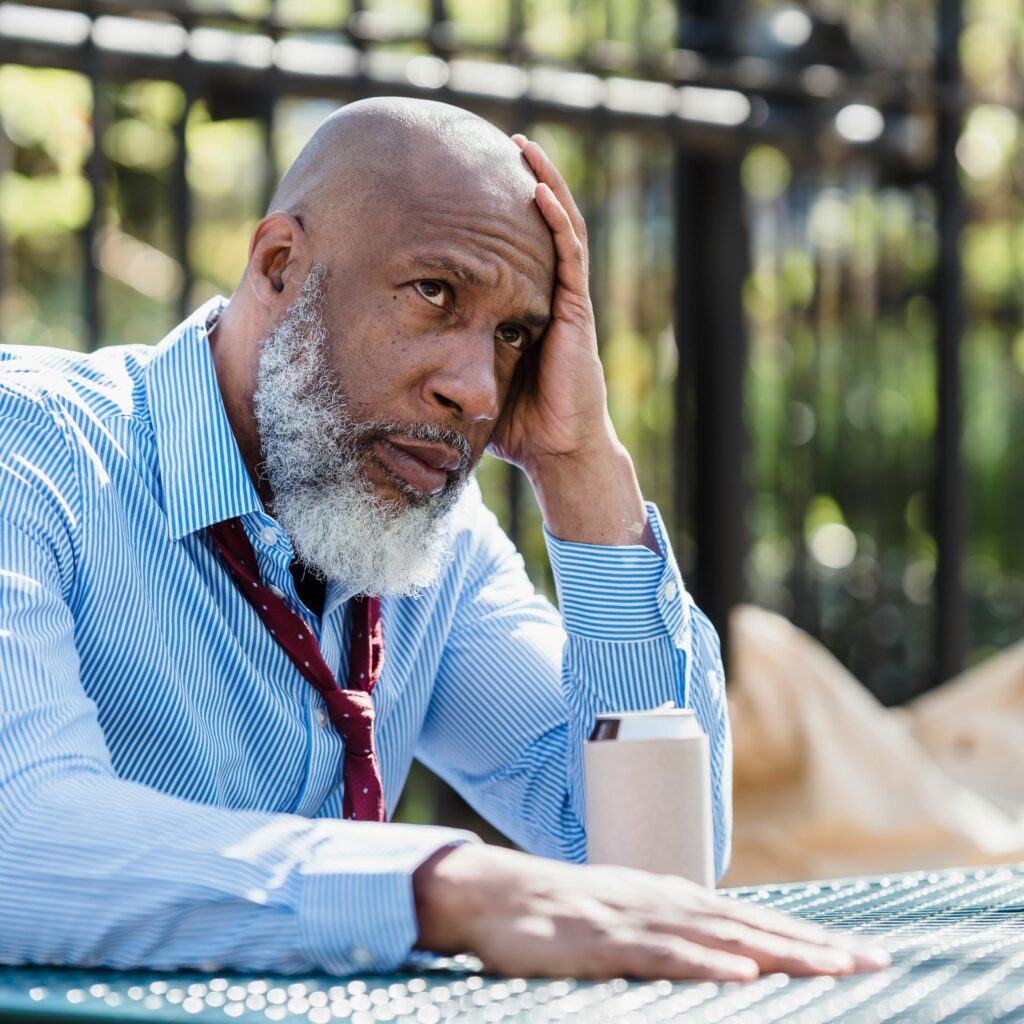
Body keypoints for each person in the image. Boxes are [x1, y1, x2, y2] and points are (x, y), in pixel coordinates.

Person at [0, 97, 888, 981]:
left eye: (512, 336)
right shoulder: (29, 447)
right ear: (279, 263)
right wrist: (444, 889)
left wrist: (581, 466)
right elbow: (20, 833)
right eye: (435, 293)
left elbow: (651, 862)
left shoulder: (434, 543)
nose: (478, 391)